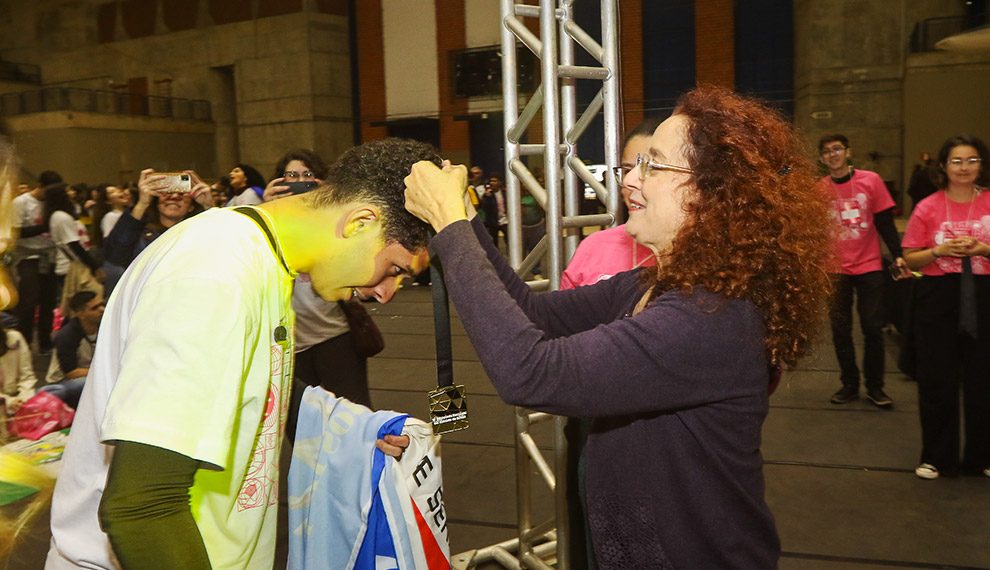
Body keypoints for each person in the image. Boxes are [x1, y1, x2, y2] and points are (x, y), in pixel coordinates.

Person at [404, 86, 833, 568]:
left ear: (712, 194)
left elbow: (530, 372)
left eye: (653, 166)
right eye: (634, 166)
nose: (630, 182)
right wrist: (464, 218)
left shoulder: (713, 315)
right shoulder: (649, 283)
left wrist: (449, 228)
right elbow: (532, 314)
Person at [46, 138, 439, 570]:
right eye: (396, 269)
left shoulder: (261, 254)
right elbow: (142, 507)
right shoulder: (214, 274)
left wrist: (356, 431)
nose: (385, 294)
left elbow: (257, 384)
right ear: (361, 222)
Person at [901, 134, 990, 480]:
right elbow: (910, 259)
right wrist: (939, 251)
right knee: (937, 380)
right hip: (938, 297)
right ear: (943, 167)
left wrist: (982, 250)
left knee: (983, 380)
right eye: (956, 161)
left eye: (972, 160)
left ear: (981, 165)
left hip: (983, 295)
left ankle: (981, 457)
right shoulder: (928, 207)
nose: (964, 167)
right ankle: (937, 457)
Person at [260, 148, 374, 407]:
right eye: (291, 175)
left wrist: (332, 203)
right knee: (303, 423)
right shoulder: (269, 219)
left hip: (334, 336)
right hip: (291, 342)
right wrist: (264, 209)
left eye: (307, 175)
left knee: (355, 414)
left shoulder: (338, 217)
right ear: (280, 181)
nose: (299, 181)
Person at [819, 134, 908, 408]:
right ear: (822, 159)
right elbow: (815, 233)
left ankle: (875, 388)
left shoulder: (871, 181)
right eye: (826, 152)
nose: (833, 155)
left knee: (872, 327)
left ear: (848, 152)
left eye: (837, 149)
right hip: (835, 269)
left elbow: (885, 224)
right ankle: (849, 384)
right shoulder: (818, 190)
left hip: (869, 265)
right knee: (840, 329)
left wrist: (899, 256)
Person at [561, 117, 661, 289]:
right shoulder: (594, 248)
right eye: (627, 170)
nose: (631, 181)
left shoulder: (707, 261)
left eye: (649, 170)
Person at [12, 170, 61, 353]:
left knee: (48, 302)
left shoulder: (52, 202)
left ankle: (44, 343)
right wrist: (44, 227)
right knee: (29, 303)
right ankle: (24, 343)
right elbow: (16, 232)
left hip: (49, 256)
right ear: (40, 186)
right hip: (28, 256)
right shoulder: (21, 202)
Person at [42, 291, 104, 408]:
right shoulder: (66, 335)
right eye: (95, 308)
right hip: (63, 383)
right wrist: (101, 371)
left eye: (102, 304)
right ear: (80, 314)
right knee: (86, 383)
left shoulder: (105, 327)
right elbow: (71, 372)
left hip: (92, 375)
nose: (102, 309)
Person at [0, 325, 37, 415]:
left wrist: (23, 399)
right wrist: (9, 401)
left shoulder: (15, 337)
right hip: (2, 402)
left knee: (57, 390)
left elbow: (27, 375)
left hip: (20, 395)